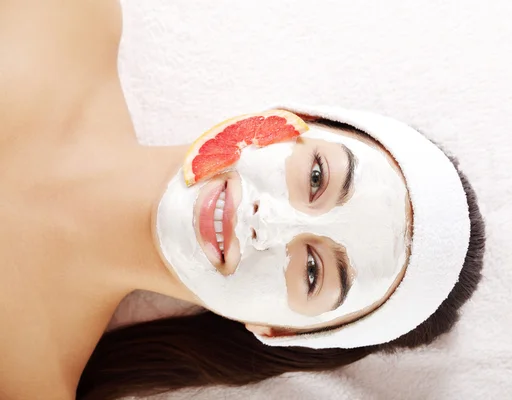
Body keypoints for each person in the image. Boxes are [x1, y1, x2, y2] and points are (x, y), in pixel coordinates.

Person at [0, 2, 485, 399]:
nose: (267, 223)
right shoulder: (64, 18)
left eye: (313, 272)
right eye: (316, 177)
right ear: (290, 117)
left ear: (275, 329)